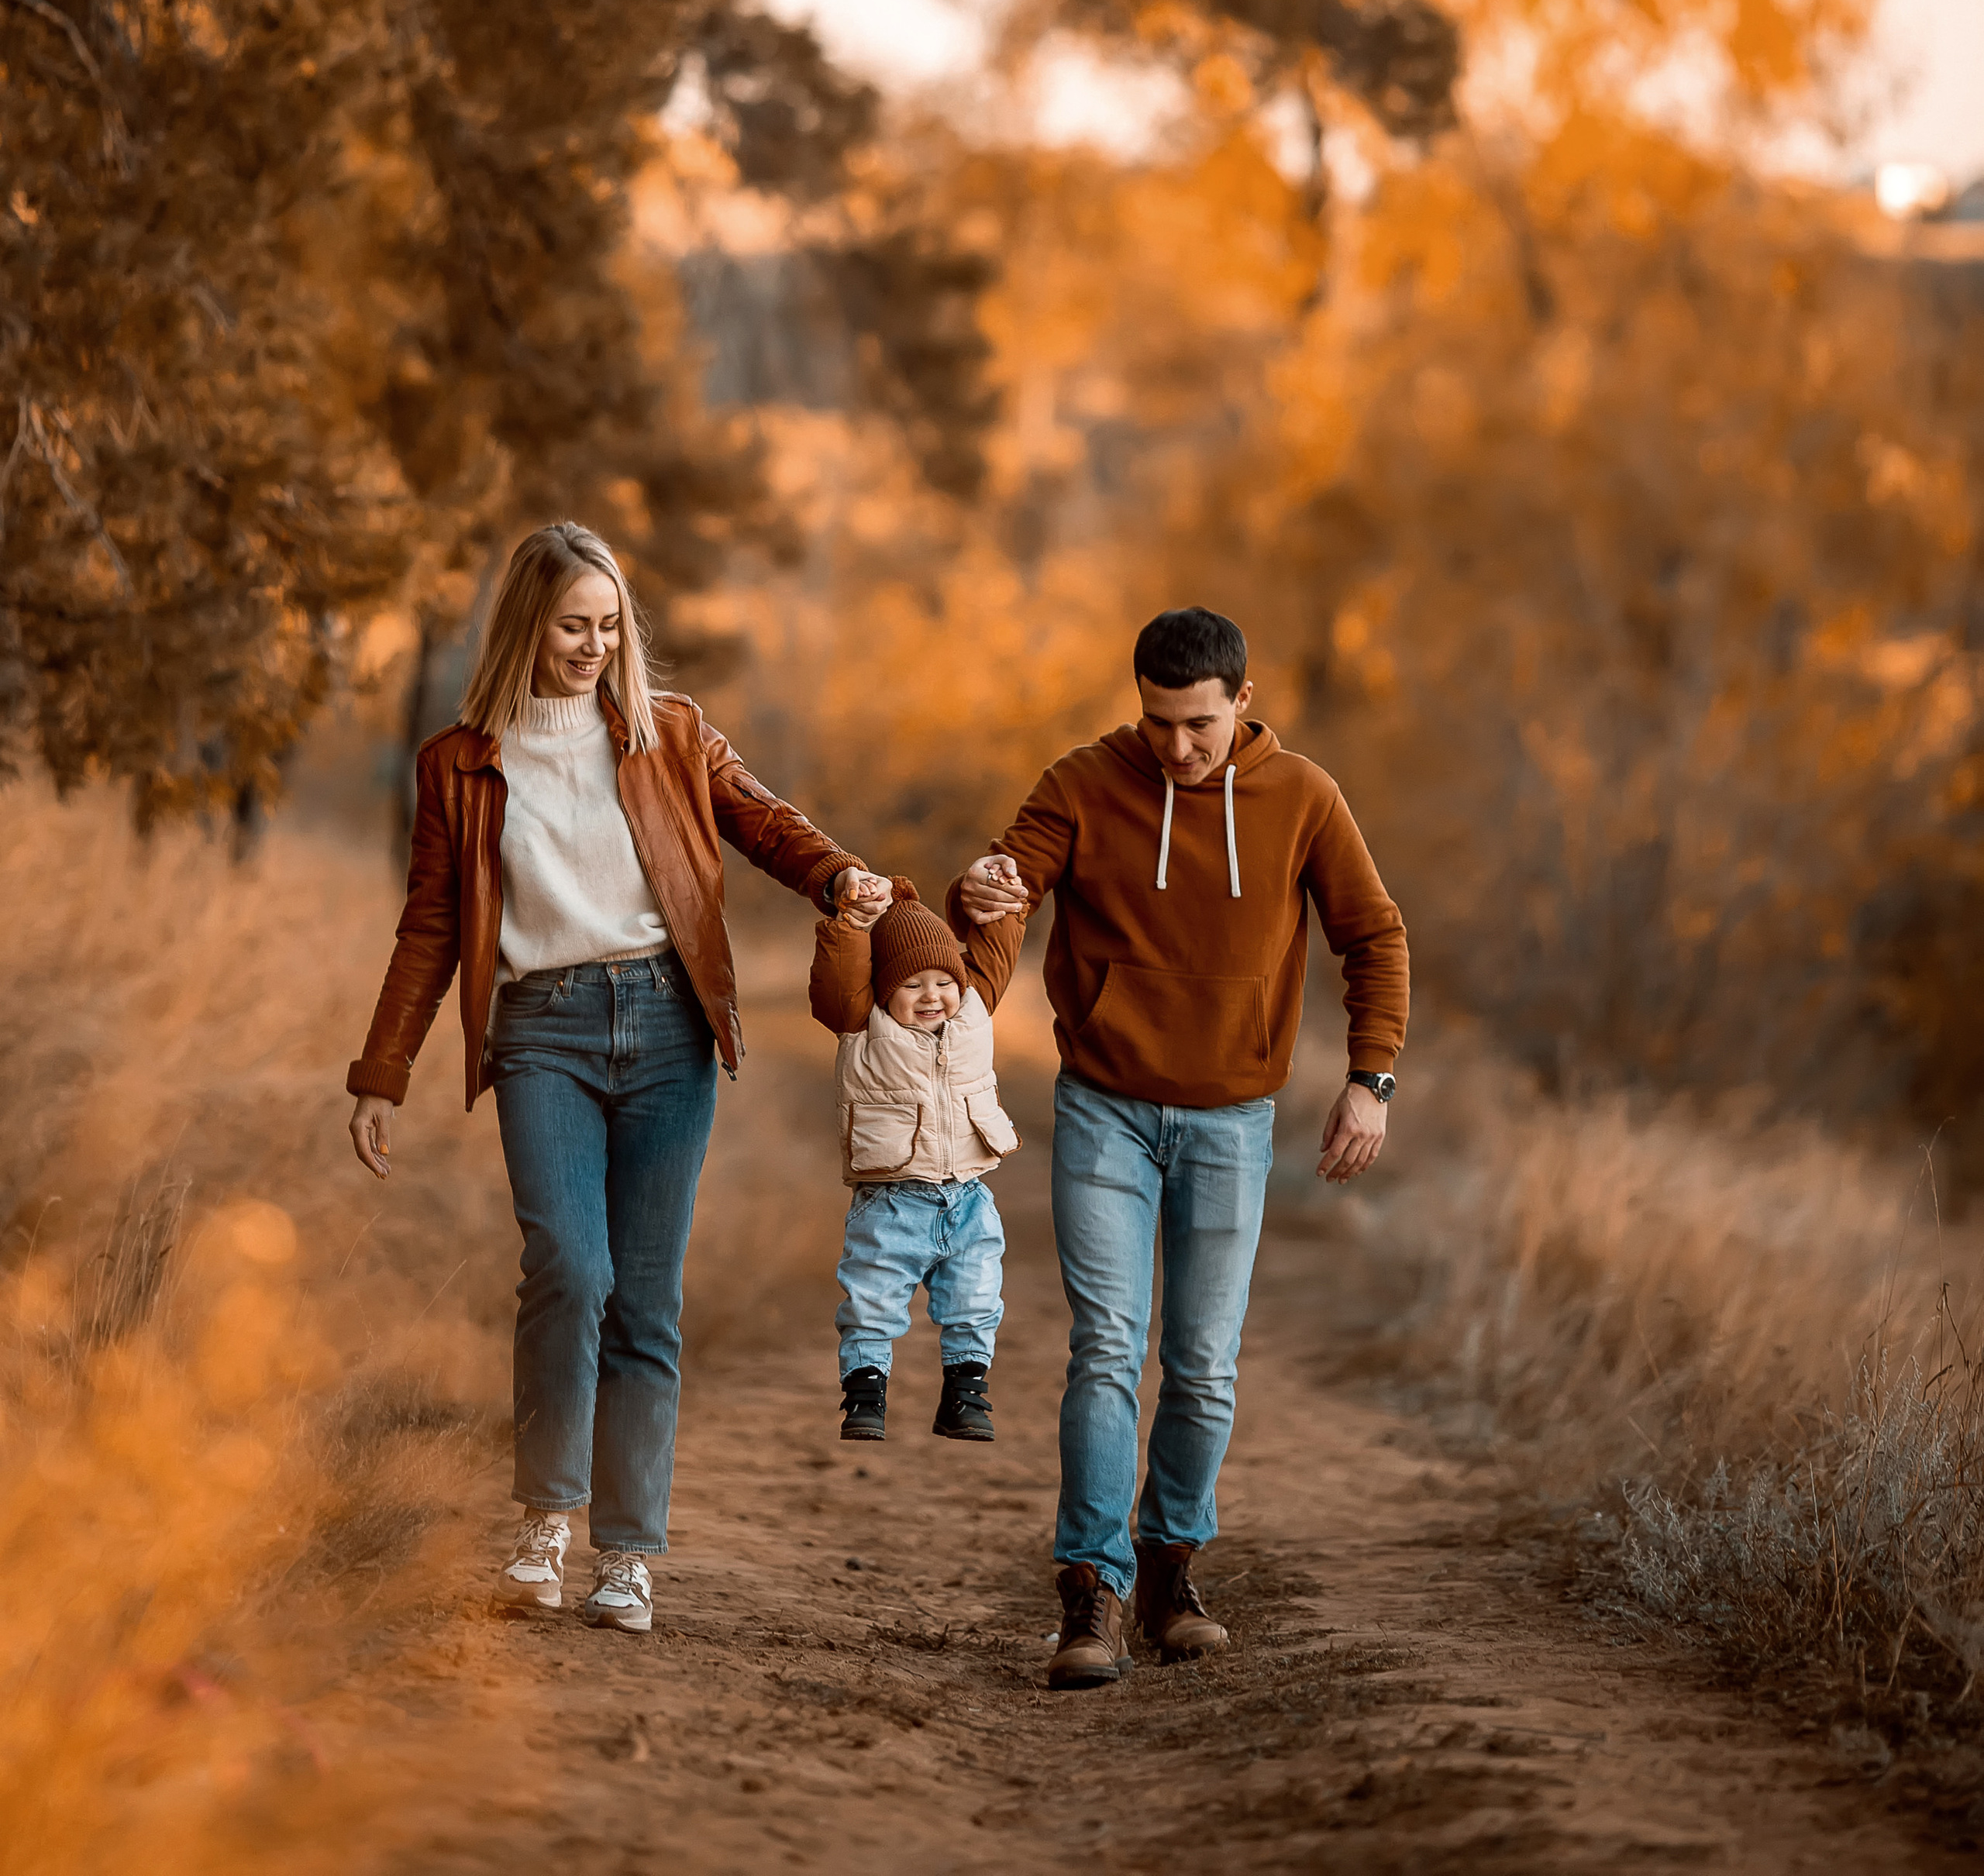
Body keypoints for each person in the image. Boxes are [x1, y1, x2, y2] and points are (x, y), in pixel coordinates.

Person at [345, 518, 892, 1633]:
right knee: (568, 1265)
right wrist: (382, 1069)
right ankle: (545, 1520)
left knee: (644, 1298)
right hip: (540, 1028)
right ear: (524, 627)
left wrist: (841, 876)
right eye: (571, 627)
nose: (594, 645)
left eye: (609, 626)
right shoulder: (459, 763)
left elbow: (763, 825)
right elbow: (431, 926)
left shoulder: (670, 732)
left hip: (667, 1026)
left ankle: (626, 1555)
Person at [950, 605, 1408, 1688]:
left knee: (1202, 1365)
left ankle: (1169, 1569)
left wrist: (1370, 1080)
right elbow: (1014, 884)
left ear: (1244, 701)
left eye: (1199, 724)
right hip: (1105, 1104)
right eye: (1158, 723)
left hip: (1232, 1119)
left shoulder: (1303, 797)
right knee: (1107, 1345)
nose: (1178, 748)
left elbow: (1374, 935)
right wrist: (985, 899)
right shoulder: (1084, 781)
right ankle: (1092, 1592)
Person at [808, 881, 1027, 1447]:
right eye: (912, 984)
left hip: (969, 1197)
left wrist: (998, 893)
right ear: (884, 989)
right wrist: (852, 924)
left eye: (943, 982)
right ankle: (864, 1395)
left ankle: (965, 1394)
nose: (932, 996)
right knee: (872, 1304)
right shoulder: (861, 1024)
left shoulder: (976, 1010)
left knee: (976, 1300)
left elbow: (997, 947)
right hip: (890, 1205)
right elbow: (837, 977)